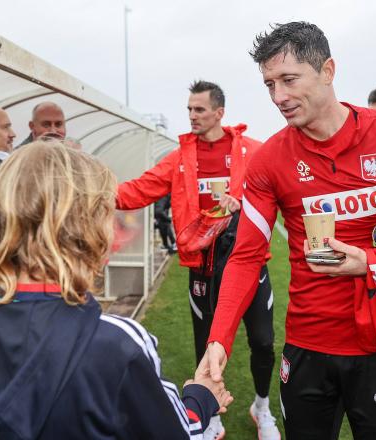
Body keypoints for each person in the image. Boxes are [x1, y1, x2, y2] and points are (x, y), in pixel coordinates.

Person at [198, 22, 376, 439]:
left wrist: (372, 263)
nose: (279, 97)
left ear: (328, 70)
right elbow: (245, 255)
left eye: (289, 80)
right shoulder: (269, 161)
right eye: (269, 85)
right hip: (307, 346)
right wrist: (219, 338)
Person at [0, 142, 232, 439]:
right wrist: (201, 396)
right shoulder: (119, 343)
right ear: (86, 227)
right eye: (107, 212)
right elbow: (177, 432)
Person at [116, 80, 279, 440]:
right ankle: (211, 416)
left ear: (219, 112)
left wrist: (244, 207)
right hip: (203, 268)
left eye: (199, 109)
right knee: (207, 343)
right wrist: (87, 192)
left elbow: (280, 191)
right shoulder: (179, 158)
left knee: (263, 342)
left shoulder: (252, 151)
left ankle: (262, 407)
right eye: (189, 109)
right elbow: (137, 190)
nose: (192, 115)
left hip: (247, 262)